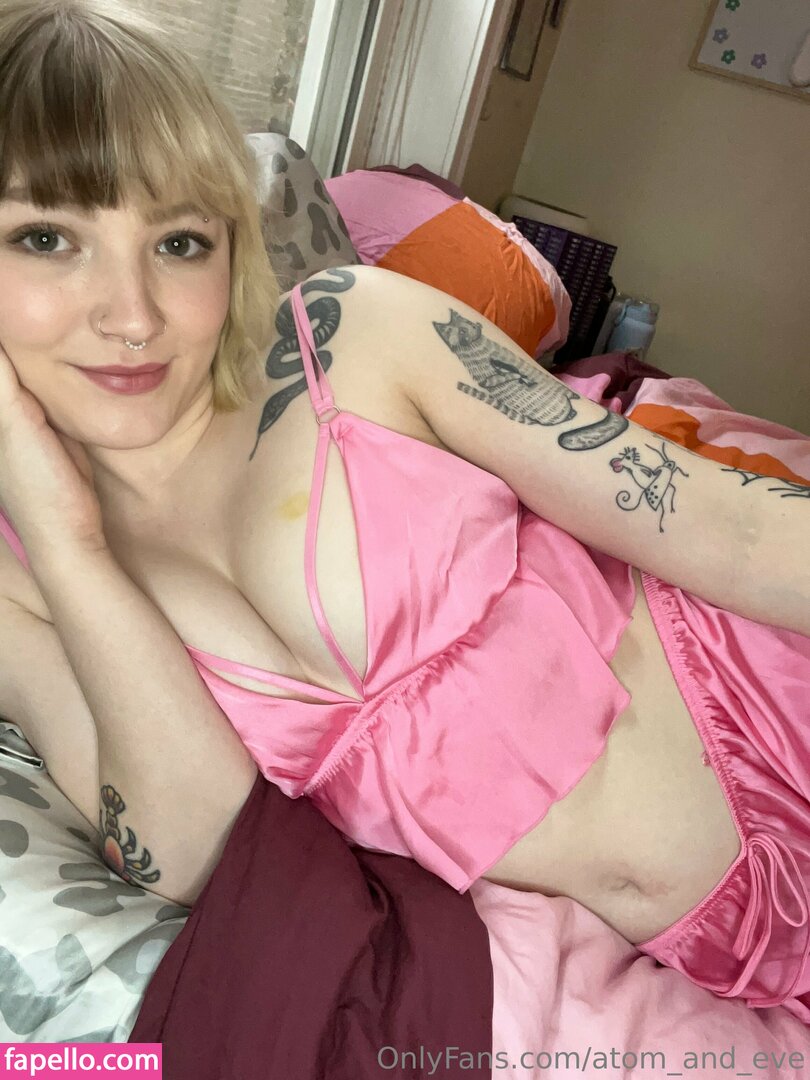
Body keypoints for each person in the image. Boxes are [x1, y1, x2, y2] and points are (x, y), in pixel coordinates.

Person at [0, 0, 809, 1023]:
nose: (133, 315)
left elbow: (732, 528)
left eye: (180, 242)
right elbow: (202, 853)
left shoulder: (349, 331)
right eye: (46, 237)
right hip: (708, 955)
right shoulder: (22, 578)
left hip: (767, 710)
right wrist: (69, 543)